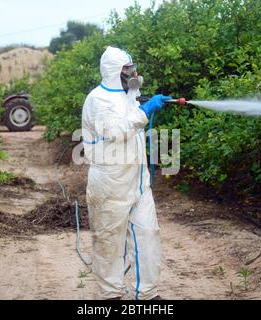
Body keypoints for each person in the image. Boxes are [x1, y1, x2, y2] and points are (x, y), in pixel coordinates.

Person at [82, 46, 172, 300]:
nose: (134, 74)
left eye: (134, 68)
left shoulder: (129, 94)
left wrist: (145, 104)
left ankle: (148, 295)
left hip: (138, 181)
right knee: (109, 241)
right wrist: (145, 111)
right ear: (114, 71)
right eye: (128, 70)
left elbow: (132, 119)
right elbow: (115, 131)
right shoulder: (97, 100)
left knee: (148, 234)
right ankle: (111, 295)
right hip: (109, 183)